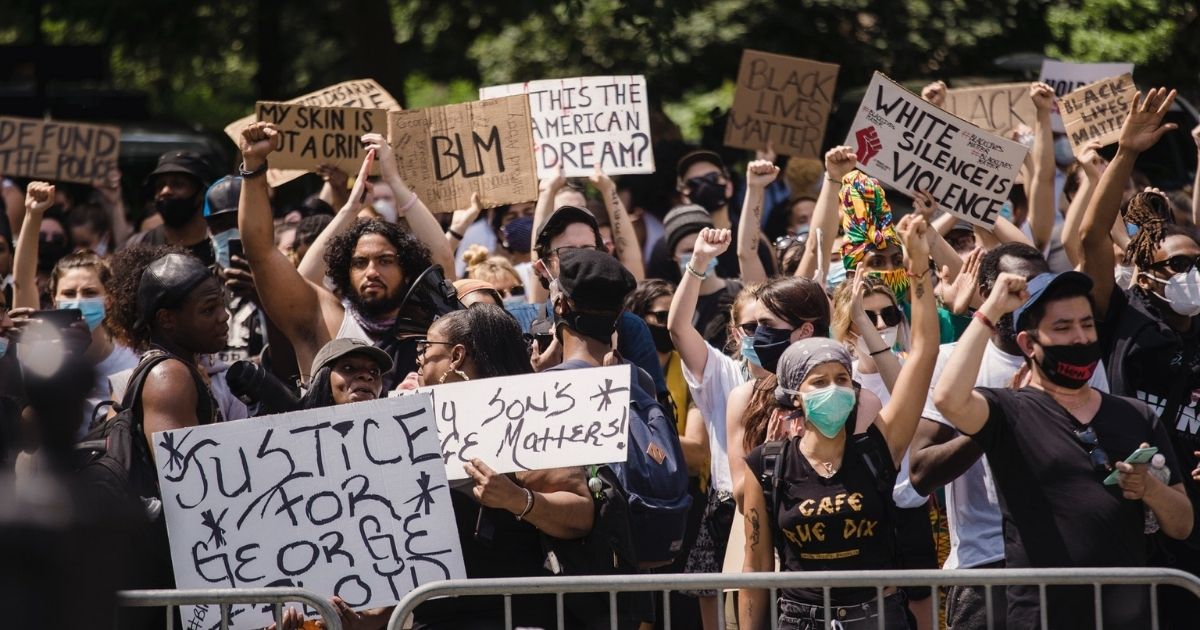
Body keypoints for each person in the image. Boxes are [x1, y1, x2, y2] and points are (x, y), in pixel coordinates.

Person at [932, 269, 1193, 629]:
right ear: (1028, 345)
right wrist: (989, 311)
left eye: (1087, 324)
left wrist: (1151, 489)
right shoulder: (1009, 411)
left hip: (1130, 616)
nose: (1080, 337)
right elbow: (948, 399)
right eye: (1063, 328)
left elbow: (1182, 524)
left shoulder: (1135, 414)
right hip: (1040, 615)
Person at [739, 213, 939, 630]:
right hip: (800, 619)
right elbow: (755, 566)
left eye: (842, 380)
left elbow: (923, 353)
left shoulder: (877, 451)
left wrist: (918, 269)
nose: (835, 390)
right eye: (820, 382)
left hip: (877, 616)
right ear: (795, 396)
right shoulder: (768, 464)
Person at [1076, 86, 1200, 625]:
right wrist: (1125, 154)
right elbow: (1089, 238)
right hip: (1125, 494)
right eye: (1175, 266)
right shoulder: (1120, 313)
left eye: (1196, 264)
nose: (1189, 276)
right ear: (1146, 273)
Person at [409, 304, 597, 629]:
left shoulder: (523, 418)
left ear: (455, 356)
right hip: (436, 616)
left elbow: (581, 515)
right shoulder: (410, 419)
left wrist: (515, 498)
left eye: (426, 347)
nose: (419, 357)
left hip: (511, 615)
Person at [236, 122, 457, 389]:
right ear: (344, 272)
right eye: (359, 263)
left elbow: (442, 259)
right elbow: (261, 253)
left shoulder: (430, 330)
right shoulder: (324, 323)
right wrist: (254, 167)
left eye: (385, 261)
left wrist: (394, 180)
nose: (371, 272)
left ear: (407, 270)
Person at [11, 182, 139, 435]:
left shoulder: (131, 361)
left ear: (109, 299)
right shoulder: (39, 351)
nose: (79, 300)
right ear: (55, 300)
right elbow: (22, 282)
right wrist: (33, 214)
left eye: (90, 293)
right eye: (69, 293)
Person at [525, 202, 666, 395]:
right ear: (543, 267)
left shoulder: (631, 328)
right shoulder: (522, 323)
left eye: (587, 250)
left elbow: (654, 411)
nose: (580, 259)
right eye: (567, 252)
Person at [664, 204, 743, 352]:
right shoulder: (672, 305)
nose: (699, 254)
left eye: (702, 246)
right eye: (690, 251)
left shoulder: (740, 292)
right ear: (673, 255)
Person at [125, 150, 218, 265]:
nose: (165, 191)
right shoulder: (139, 246)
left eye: (178, 184)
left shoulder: (220, 247)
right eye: (160, 186)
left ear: (201, 193)